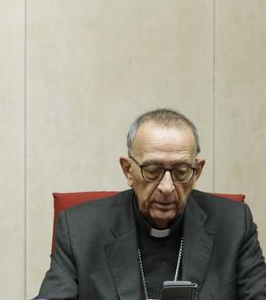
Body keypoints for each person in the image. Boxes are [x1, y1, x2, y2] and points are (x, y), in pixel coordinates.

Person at [36, 108, 266, 299]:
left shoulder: (234, 224)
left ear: (197, 172)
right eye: (152, 171)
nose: (167, 187)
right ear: (128, 170)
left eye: (181, 171)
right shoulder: (79, 229)